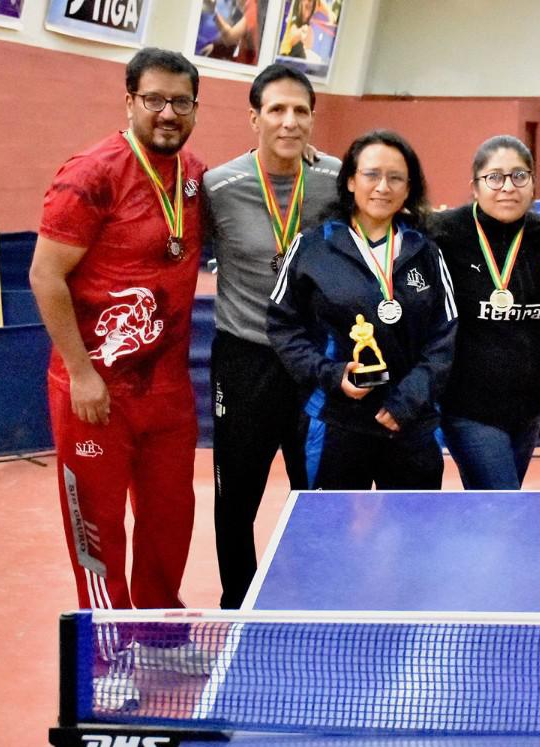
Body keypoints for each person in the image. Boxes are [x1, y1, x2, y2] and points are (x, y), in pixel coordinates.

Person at [30, 48, 208, 703]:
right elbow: (45, 274)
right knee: (98, 530)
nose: (167, 112)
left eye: (180, 101)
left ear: (195, 107)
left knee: (170, 519)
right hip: (94, 393)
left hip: (167, 391)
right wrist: (81, 372)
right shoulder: (92, 175)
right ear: (128, 100)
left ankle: (159, 633)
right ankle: (107, 659)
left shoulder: (192, 175)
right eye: (154, 99)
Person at [202, 63, 340, 609]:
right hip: (244, 360)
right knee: (236, 494)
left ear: (312, 117)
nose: (289, 122)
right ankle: (238, 602)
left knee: (318, 490)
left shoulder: (336, 178)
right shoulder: (218, 186)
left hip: (315, 358)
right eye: (276, 110)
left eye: (300, 110)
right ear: (254, 117)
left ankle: (317, 600)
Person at [268, 130, 457, 489]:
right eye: (371, 174)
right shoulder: (311, 247)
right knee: (328, 536)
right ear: (351, 181)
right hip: (336, 421)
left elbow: (443, 336)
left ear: (408, 188)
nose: (382, 187)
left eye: (395, 177)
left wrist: (410, 399)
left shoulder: (426, 251)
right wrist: (331, 374)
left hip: (410, 423)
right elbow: (282, 326)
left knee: (413, 538)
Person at [429, 135, 540, 489]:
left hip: (530, 407)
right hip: (469, 408)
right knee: (505, 504)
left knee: (492, 514)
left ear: (533, 184)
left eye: (519, 176)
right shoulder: (445, 232)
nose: (507, 187)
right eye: (494, 177)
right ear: (475, 187)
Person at [200, 0, 260, 66]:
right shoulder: (249, 9)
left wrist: (214, 12)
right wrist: (216, 48)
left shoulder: (253, 7)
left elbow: (230, 39)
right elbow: (238, 41)